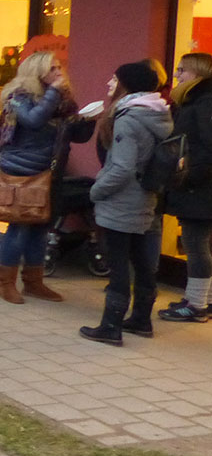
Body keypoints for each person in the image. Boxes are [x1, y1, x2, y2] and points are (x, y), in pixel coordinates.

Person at [81, 62, 172, 344]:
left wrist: (96, 191)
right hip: (146, 197)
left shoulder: (128, 118)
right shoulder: (158, 113)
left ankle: (111, 326)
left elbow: (122, 167)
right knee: (143, 261)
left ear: (126, 85)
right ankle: (141, 319)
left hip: (122, 200)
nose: (110, 82)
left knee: (118, 262)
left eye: (114, 78)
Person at [0, 52, 90, 304]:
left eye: (59, 67)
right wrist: (55, 93)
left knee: (41, 227)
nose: (59, 72)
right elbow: (33, 121)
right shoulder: (19, 97)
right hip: (24, 172)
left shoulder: (59, 99)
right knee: (20, 226)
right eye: (52, 69)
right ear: (37, 73)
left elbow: (76, 136)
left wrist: (88, 121)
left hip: (52, 171)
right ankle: (5, 284)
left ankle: (34, 283)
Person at [162, 53, 212, 321]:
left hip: (200, 188)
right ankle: (205, 299)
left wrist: (189, 176)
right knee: (203, 244)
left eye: (182, 70)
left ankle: (196, 305)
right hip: (201, 186)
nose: (177, 74)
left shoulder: (203, 103)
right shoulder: (198, 101)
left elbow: (207, 147)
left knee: (196, 244)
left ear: (198, 73)